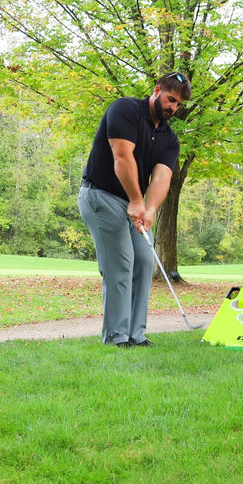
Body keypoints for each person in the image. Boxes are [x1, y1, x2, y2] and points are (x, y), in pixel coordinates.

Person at [78, 71, 192, 347]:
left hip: (134, 202)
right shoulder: (124, 109)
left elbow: (162, 177)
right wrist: (136, 201)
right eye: (170, 99)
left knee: (143, 261)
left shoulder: (168, 138)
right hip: (101, 195)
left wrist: (150, 209)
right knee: (121, 264)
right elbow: (122, 157)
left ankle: (135, 335)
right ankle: (116, 338)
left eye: (177, 105)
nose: (172, 108)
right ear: (156, 91)